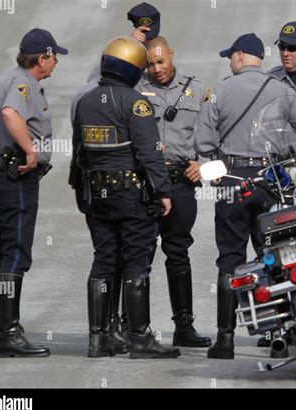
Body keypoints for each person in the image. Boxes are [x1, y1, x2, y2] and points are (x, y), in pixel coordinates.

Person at [194, 33, 296, 359]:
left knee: (230, 260)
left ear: (239, 56)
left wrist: (218, 167)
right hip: (271, 182)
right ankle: (277, 336)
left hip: (232, 181)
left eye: (230, 57)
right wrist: (293, 167)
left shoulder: (219, 90)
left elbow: (203, 142)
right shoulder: (283, 90)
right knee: (276, 257)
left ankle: (225, 340)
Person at [71, 36, 180, 359]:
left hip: (96, 195)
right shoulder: (136, 102)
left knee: (103, 260)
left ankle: (98, 338)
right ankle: (139, 338)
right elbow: (149, 153)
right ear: (132, 69)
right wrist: (163, 191)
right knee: (135, 260)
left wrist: (82, 194)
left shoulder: (85, 100)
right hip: (131, 194)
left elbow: (80, 153)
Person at [0, 28, 68, 357]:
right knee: (15, 254)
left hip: (0, 171)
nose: (56, 62)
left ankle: (4, 333)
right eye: (53, 56)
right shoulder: (23, 84)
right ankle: (8, 334)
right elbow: (8, 114)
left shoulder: (7, 79)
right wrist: (30, 151)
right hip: (14, 175)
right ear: (42, 57)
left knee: (6, 253)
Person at [135, 36, 211, 347]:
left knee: (178, 252)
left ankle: (184, 326)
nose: (157, 69)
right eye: (151, 64)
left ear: (172, 55)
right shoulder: (134, 89)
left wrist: (204, 162)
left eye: (161, 61)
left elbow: (213, 131)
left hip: (181, 182)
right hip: (147, 183)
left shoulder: (200, 90)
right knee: (140, 253)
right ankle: (136, 328)